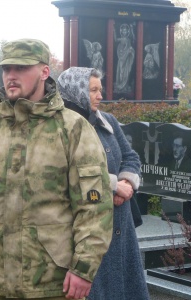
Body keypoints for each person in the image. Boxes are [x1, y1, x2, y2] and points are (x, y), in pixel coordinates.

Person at [0, 39, 113, 299]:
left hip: (50, 284)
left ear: (44, 72)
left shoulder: (72, 129)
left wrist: (83, 268)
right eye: (7, 69)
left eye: (21, 68)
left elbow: (93, 206)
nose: (11, 76)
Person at [57, 67, 149, 300]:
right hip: (90, 226)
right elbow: (67, 168)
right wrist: (113, 185)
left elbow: (131, 157)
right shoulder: (61, 126)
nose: (100, 96)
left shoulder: (107, 121)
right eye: (93, 90)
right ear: (76, 91)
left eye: (100, 90)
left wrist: (126, 181)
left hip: (120, 224)